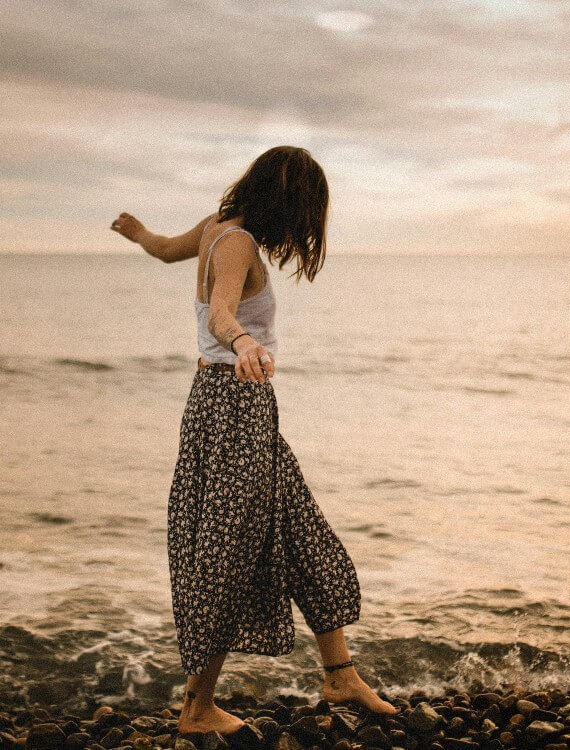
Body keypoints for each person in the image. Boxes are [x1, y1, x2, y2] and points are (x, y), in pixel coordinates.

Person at [110, 146, 399, 737]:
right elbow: (220, 313)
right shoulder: (238, 242)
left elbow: (166, 251)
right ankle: (197, 708)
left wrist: (138, 232)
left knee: (298, 526)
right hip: (235, 403)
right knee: (231, 548)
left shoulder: (216, 228)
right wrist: (243, 342)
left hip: (221, 402)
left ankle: (339, 672)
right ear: (286, 201)